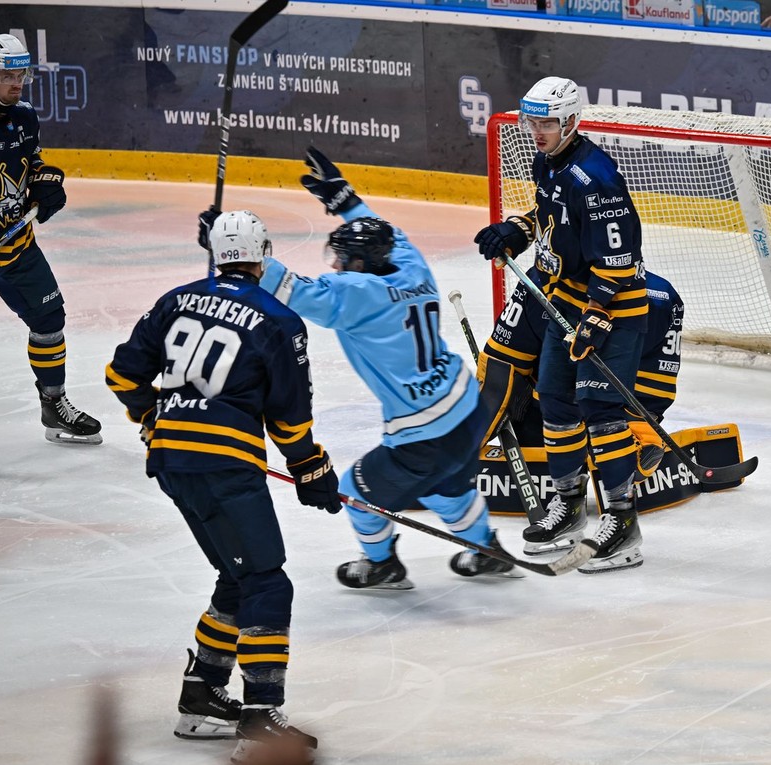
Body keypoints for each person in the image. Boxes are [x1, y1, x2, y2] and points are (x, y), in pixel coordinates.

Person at [106, 210, 336, 762]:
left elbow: (121, 376)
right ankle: (260, 719)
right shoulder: (279, 321)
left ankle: (203, 695)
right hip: (226, 468)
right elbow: (289, 420)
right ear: (263, 255)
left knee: (237, 577)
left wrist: (151, 420)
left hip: (171, 462)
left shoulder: (174, 300)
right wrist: (313, 470)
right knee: (266, 582)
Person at [237, 145, 517, 589]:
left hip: (424, 433)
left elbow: (290, 288)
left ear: (362, 264)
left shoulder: (354, 294)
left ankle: (383, 563)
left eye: (344, 259)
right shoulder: (409, 265)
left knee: (354, 492)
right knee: (445, 489)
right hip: (468, 408)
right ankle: (488, 550)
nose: (338, 265)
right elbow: (393, 233)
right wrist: (343, 199)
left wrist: (236, 248)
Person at [473, 76, 650, 573]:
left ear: (571, 120)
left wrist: (595, 315)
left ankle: (622, 520)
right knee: (554, 401)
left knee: (600, 410)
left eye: (546, 122)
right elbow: (554, 220)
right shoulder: (548, 164)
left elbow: (619, 257)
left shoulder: (597, 179)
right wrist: (519, 229)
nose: (537, 131)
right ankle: (569, 506)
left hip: (611, 311)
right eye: (532, 121)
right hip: (562, 304)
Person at [0, 33, 101, 444]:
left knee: (50, 321)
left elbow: (30, 166)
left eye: (22, 74)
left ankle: (54, 406)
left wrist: (46, 183)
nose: (17, 83)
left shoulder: (26, 116)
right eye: (7, 75)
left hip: (18, 246)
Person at [478, 263, 684, 555]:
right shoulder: (537, 284)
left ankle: (622, 521)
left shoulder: (658, 298)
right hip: (551, 409)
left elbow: (653, 382)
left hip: (608, 405)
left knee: (630, 453)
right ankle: (571, 507)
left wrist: (639, 426)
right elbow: (501, 369)